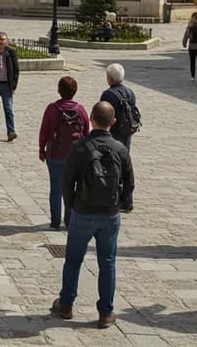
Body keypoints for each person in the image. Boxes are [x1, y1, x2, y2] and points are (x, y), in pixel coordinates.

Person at [52, 101, 134, 329]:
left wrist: (71, 206)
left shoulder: (79, 147)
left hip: (83, 211)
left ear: (91, 119)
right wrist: (121, 203)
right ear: (113, 122)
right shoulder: (120, 149)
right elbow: (130, 182)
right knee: (107, 262)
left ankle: (66, 304)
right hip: (109, 214)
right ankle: (106, 312)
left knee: (73, 260)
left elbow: (66, 182)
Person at [38, 75, 89, 230]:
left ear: (59, 90)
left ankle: (55, 221)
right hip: (75, 156)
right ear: (75, 91)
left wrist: (42, 149)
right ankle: (69, 219)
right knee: (72, 187)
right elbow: (87, 133)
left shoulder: (52, 109)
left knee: (55, 188)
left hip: (55, 154)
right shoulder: (80, 110)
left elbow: (44, 131)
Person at [98, 63, 137, 212]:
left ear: (109, 78)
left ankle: (113, 199)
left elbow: (103, 115)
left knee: (112, 165)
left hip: (113, 133)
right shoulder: (130, 92)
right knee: (125, 163)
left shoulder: (108, 94)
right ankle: (128, 201)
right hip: (127, 132)